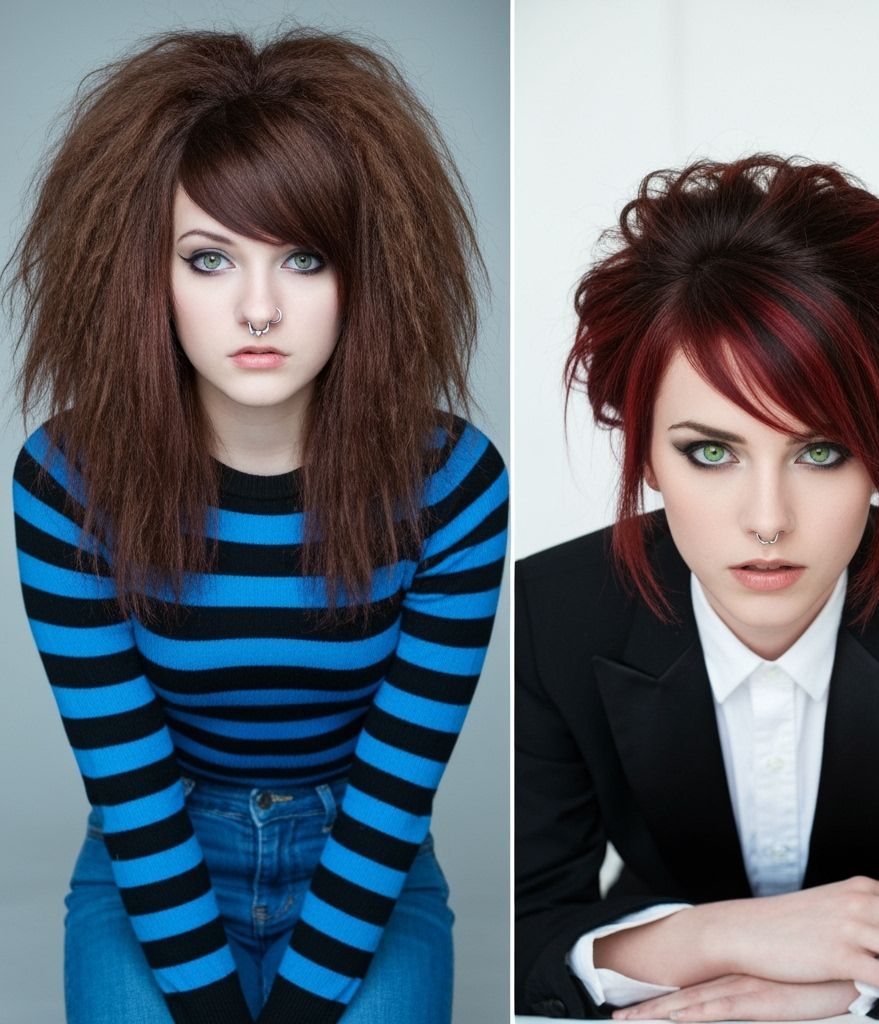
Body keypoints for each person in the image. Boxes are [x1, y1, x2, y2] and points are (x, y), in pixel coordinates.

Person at [7, 28, 508, 1024]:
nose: (259, 308)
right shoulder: (66, 481)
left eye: (305, 257)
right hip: (153, 864)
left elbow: (393, 792)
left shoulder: (454, 485)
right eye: (208, 258)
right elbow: (132, 787)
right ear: (141, 275)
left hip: (366, 868)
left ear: (369, 273)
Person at [515, 155, 879, 1020]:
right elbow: (521, 930)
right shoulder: (548, 612)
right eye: (709, 451)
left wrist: (837, 991)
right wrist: (717, 941)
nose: (766, 520)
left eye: (820, 451)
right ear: (643, 450)